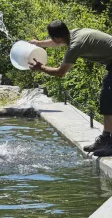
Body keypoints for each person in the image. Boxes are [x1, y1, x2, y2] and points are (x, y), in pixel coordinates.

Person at [29, 20, 112, 156]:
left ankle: (109, 143)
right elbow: (55, 43)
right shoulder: (74, 33)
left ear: (56, 38)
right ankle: (106, 138)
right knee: (106, 101)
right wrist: (38, 44)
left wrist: (41, 67)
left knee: (108, 102)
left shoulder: (75, 46)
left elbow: (60, 72)